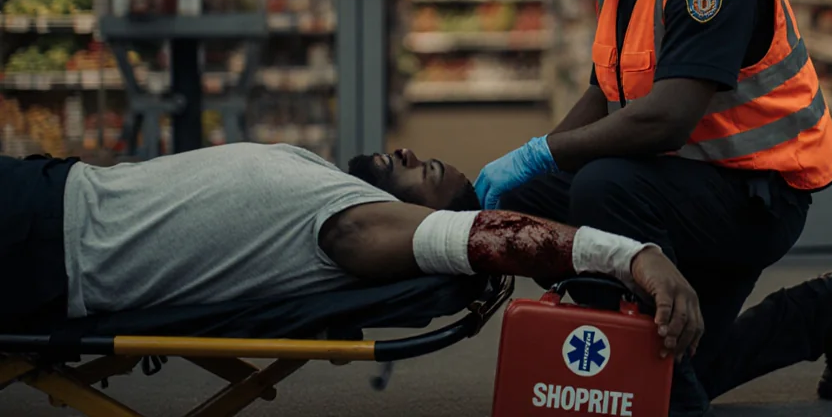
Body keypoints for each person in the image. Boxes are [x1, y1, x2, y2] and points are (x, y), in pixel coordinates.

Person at [473, 0, 832, 415]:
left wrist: (543, 154)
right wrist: (529, 169)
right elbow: (602, 93)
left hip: (755, 195)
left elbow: (666, 119)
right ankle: (828, 311)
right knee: (687, 355)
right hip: (683, 184)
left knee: (602, 189)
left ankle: (627, 384)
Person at [1, 142, 703, 361]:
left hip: (35, 237)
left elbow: (489, 238)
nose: (406, 151)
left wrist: (633, 257)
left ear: (415, 223)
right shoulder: (326, 186)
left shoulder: (353, 226)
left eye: (425, 173)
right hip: (49, 192)